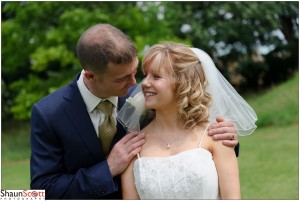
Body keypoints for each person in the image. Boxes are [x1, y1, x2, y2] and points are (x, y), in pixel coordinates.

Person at [30, 24, 239, 199]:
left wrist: (227, 136)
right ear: (91, 76)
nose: (136, 84)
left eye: (135, 73)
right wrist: (108, 169)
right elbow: (40, 191)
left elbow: (192, 139)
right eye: (122, 79)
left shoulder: (144, 98)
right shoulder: (49, 113)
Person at [121, 42, 257, 199]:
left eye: (156, 76)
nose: (144, 83)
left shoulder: (216, 136)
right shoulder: (133, 145)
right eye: (145, 75)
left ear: (182, 83)